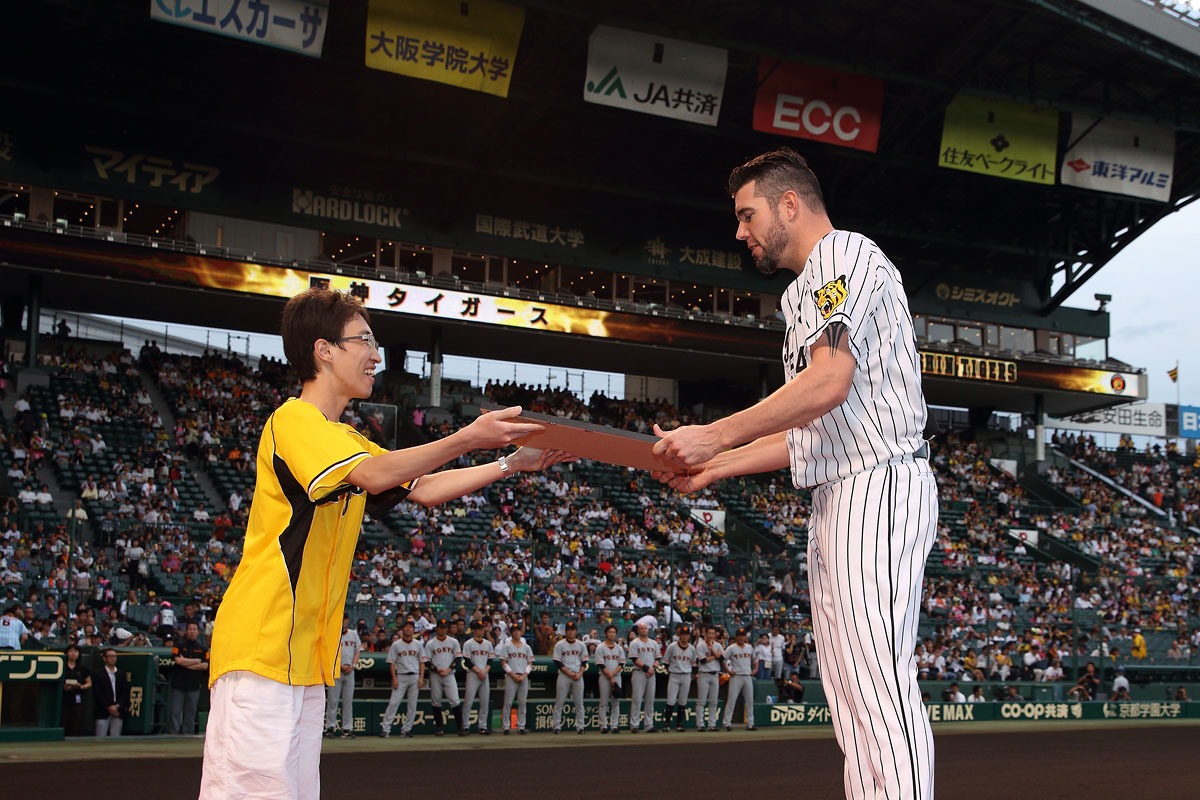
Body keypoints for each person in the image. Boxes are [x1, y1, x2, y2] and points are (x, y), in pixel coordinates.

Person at [200, 288, 569, 798]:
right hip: (262, 647)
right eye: (365, 341)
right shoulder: (293, 421)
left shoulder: (346, 439)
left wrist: (510, 463)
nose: (376, 355)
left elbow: (425, 489)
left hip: (301, 656)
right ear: (323, 350)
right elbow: (374, 476)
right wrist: (467, 437)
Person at [653, 148, 936, 798]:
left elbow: (828, 382)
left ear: (789, 204)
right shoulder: (802, 292)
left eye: (747, 214)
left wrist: (715, 435)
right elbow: (807, 428)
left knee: (878, 684)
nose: (740, 231)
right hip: (838, 490)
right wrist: (714, 466)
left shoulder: (843, 254)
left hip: (878, 482)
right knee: (850, 695)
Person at [380, 618, 423, 738]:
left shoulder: (418, 644)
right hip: (401, 676)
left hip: (414, 675)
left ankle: (407, 729)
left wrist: (421, 678)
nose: (408, 629)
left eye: (411, 627)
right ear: (403, 629)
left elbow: (422, 662)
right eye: (406, 627)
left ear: (413, 630)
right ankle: (385, 729)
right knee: (394, 703)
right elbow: (392, 663)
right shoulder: (396, 644)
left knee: (412, 705)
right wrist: (394, 678)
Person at [424, 618, 464, 736]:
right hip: (435, 674)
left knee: (455, 700)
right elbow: (427, 661)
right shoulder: (431, 643)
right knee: (436, 701)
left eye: (445, 628)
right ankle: (439, 728)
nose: (443, 630)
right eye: (441, 628)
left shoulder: (453, 641)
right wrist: (436, 669)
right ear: (437, 629)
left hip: (449, 674)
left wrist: (449, 669)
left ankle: (460, 727)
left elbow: (458, 658)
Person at [168, 621, 209, 734]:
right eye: (190, 629)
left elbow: (205, 666)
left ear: (198, 632)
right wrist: (196, 661)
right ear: (186, 631)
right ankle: (173, 735)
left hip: (194, 685)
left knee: (190, 713)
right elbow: (177, 660)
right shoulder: (178, 645)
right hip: (178, 685)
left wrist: (185, 662)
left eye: (194, 629)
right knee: (175, 712)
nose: (192, 632)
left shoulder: (203, 649)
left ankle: (188, 735)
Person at [324, 616, 360, 738]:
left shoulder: (353, 634)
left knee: (348, 702)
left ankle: (346, 729)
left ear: (347, 621)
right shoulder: (332, 634)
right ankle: (330, 727)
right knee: (332, 701)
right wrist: (339, 666)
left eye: (345, 619)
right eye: (342, 619)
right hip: (336, 671)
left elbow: (357, 652)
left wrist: (353, 666)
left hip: (350, 671)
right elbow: (328, 653)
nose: (344, 621)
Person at [552, 621, 588, 734]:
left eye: (573, 630)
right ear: (566, 631)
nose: (571, 632)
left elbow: (584, 661)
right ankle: (557, 726)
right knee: (559, 702)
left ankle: (580, 727)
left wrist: (580, 673)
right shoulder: (560, 644)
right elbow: (557, 662)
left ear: (576, 631)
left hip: (578, 675)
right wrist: (568, 673)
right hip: (564, 675)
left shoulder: (581, 645)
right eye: (569, 630)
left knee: (579, 703)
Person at [498, 622, 533, 735]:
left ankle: (521, 726)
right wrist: (512, 674)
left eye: (518, 630)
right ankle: (506, 727)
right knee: (508, 702)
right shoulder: (507, 646)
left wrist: (524, 675)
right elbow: (503, 662)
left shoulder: (526, 647)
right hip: (511, 676)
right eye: (514, 631)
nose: (516, 633)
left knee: (522, 703)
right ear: (511, 633)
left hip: (523, 676)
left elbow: (530, 663)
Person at [462, 619, 494, 735]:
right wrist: (478, 671)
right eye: (479, 629)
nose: (481, 631)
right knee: (468, 701)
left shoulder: (488, 644)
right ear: (474, 631)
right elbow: (467, 661)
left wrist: (484, 671)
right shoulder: (468, 643)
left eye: (482, 629)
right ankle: (465, 726)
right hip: (473, 674)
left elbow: (490, 660)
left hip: (484, 674)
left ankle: (483, 726)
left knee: (485, 702)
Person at [722, 627, 758, 731]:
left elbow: (755, 659)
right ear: (736, 637)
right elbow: (723, 659)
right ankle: (727, 723)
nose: (741, 638)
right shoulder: (731, 648)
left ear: (745, 637)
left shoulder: (749, 647)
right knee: (731, 700)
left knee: (749, 701)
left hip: (747, 676)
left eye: (743, 636)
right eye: (739, 636)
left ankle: (750, 723)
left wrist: (756, 669)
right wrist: (728, 671)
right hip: (736, 676)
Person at [663, 626, 697, 732]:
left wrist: (693, 675)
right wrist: (670, 671)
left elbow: (694, 664)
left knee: (683, 701)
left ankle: (679, 724)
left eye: (687, 634)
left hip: (686, 675)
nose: (684, 636)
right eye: (683, 634)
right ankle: (667, 724)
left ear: (689, 636)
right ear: (679, 635)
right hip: (674, 675)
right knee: (671, 700)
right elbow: (665, 662)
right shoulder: (672, 647)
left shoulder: (692, 648)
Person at [627, 623, 659, 733]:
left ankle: (648, 724)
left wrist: (653, 668)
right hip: (639, 672)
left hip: (651, 674)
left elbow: (658, 658)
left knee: (650, 700)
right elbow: (634, 659)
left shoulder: (653, 643)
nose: (644, 630)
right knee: (637, 699)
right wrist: (647, 669)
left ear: (648, 630)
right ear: (638, 631)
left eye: (645, 628)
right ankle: (634, 725)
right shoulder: (634, 643)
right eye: (641, 628)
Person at [594, 624, 626, 734]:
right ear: (606, 633)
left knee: (616, 702)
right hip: (604, 677)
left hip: (617, 676)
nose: (612, 634)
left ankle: (614, 726)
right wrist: (610, 676)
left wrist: (613, 675)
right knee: (603, 702)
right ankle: (603, 726)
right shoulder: (600, 647)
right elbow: (600, 664)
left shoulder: (619, 648)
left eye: (613, 632)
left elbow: (622, 664)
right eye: (610, 632)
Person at [93, 648, 129, 736]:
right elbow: (98, 693)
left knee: (116, 737)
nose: (112, 658)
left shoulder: (121, 673)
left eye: (114, 656)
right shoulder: (98, 674)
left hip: (118, 710)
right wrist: (109, 707)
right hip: (103, 711)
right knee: (100, 737)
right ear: (104, 658)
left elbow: (125, 692)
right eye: (110, 656)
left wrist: (117, 706)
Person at [695, 625, 724, 731]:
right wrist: (715, 655)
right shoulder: (700, 645)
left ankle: (712, 724)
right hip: (704, 674)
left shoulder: (718, 645)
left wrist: (713, 651)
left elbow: (722, 658)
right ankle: (700, 724)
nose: (711, 635)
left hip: (715, 674)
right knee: (701, 701)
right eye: (709, 633)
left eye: (713, 633)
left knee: (713, 701)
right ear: (705, 634)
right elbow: (702, 660)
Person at [62, 642, 93, 736]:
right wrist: (64, 687)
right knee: (64, 718)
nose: (73, 653)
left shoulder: (83, 669)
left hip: (77, 697)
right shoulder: (62, 667)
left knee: (76, 719)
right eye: (71, 651)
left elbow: (89, 683)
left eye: (76, 651)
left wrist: (81, 686)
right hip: (64, 698)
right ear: (67, 653)